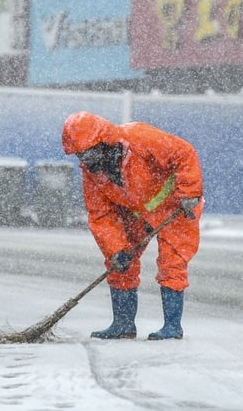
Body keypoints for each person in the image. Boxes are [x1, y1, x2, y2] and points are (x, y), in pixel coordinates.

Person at [61, 111, 204, 340]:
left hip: (176, 207)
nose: (84, 161)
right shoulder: (92, 173)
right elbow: (101, 215)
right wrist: (115, 249)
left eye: (87, 153)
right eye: (80, 155)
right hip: (136, 214)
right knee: (120, 262)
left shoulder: (140, 138)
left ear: (103, 142)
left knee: (172, 264)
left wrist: (189, 192)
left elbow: (184, 153)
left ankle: (172, 327)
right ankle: (123, 324)